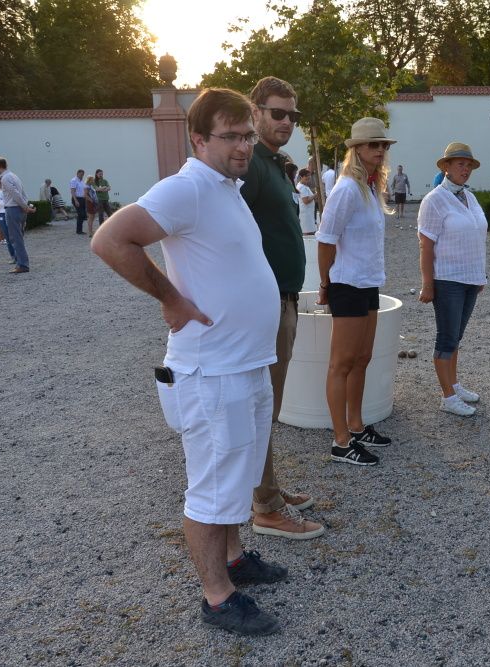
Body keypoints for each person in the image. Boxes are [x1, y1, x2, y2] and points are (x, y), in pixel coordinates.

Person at [90, 88, 289, 636]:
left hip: (243, 363)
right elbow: (110, 240)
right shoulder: (188, 188)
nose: (244, 146)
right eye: (231, 137)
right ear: (198, 139)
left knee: (237, 474)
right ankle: (217, 597)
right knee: (211, 486)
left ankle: (233, 559)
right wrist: (170, 298)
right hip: (212, 371)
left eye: (247, 136)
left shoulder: (226, 187)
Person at [240, 76, 324, 541]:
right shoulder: (251, 163)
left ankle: (267, 490)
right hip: (265, 303)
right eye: (277, 113)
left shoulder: (273, 163)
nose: (287, 121)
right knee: (261, 407)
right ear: (255, 112)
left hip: (282, 298)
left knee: (267, 405)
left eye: (293, 114)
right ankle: (265, 508)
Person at [315, 117, 395, 466]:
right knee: (341, 363)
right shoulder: (347, 188)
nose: (380, 150)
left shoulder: (371, 188)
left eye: (383, 145)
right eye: (373, 144)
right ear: (357, 149)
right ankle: (340, 441)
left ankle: (356, 425)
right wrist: (325, 284)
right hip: (346, 284)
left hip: (367, 282)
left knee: (362, 358)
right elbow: (325, 240)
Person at [417, 143, 487, 416]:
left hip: (470, 277)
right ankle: (447, 397)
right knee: (447, 338)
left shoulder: (470, 197)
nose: (465, 169)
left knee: (457, 336)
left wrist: (479, 274)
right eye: (460, 164)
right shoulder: (434, 200)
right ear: (446, 167)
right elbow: (426, 245)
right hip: (447, 279)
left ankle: (454, 385)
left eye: (468, 165)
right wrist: (427, 283)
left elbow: (477, 235)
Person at [0, 157, 36, 274]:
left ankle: (22, 264)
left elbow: (15, 194)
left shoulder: (5, 178)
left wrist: (25, 207)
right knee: (18, 237)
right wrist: (25, 206)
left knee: (15, 238)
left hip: (13, 209)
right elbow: (22, 193)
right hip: (19, 209)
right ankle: (21, 262)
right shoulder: (14, 176)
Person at [297, 168, 316, 234]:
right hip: (306, 215)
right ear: (301, 177)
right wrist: (315, 195)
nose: (308, 177)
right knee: (307, 233)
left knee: (309, 232)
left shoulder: (304, 186)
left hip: (308, 213)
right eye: (306, 176)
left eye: (309, 175)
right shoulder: (302, 187)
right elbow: (306, 201)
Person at [70, 169, 87, 234]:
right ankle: (78, 230)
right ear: (77, 173)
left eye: (83, 175)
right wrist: (75, 200)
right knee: (81, 214)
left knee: (83, 215)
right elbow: (72, 191)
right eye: (81, 174)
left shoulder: (82, 181)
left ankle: (80, 230)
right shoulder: (74, 180)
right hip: (77, 198)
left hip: (82, 199)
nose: (82, 176)